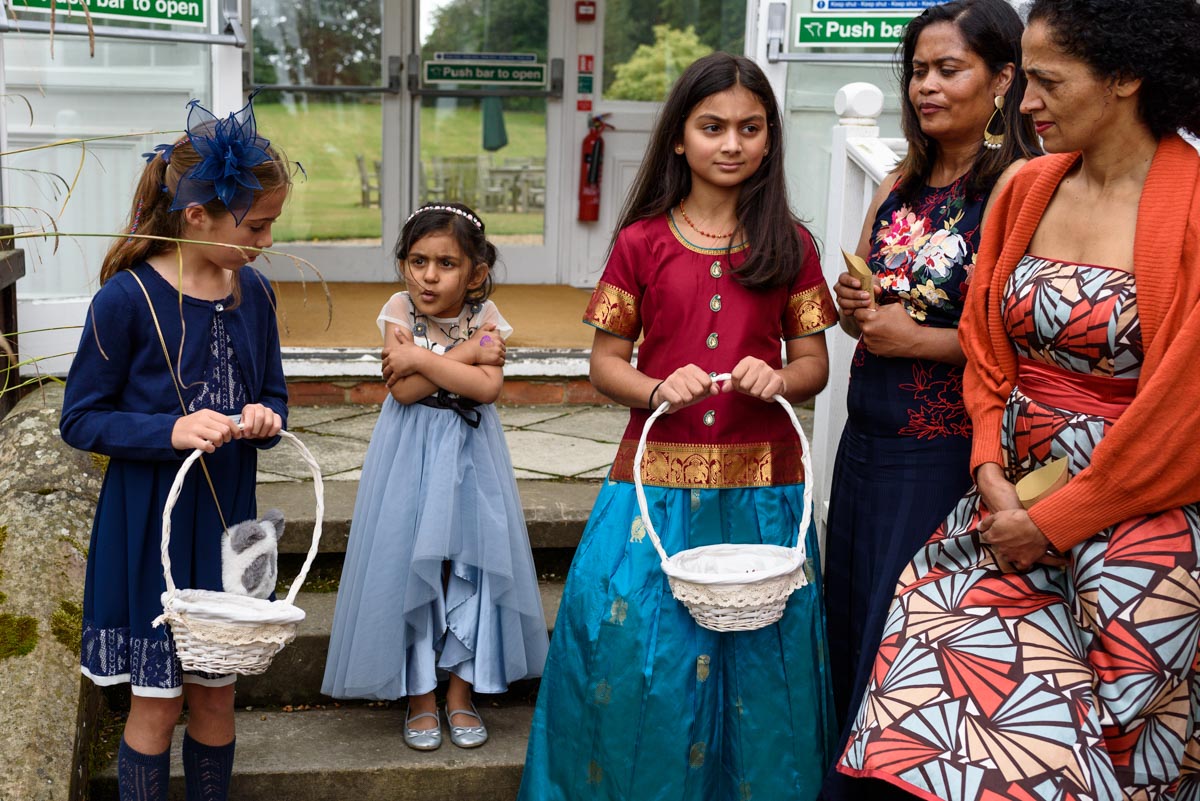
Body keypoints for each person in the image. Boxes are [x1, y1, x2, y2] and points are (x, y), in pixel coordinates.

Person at [837, 0, 1200, 797]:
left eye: (1044, 80)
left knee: (1098, 762)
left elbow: (1187, 412)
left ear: (1127, 79)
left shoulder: (1196, 206)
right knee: (925, 704)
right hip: (1004, 508)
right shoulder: (1026, 189)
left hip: (1142, 521)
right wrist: (991, 468)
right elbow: (988, 354)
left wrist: (1057, 518)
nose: (1024, 102)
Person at [519, 52, 840, 801]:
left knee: (764, 671)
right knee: (636, 658)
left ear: (770, 139)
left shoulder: (793, 245)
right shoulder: (641, 243)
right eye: (712, 126)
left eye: (750, 128)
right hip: (652, 487)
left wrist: (781, 378)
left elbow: (815, 365)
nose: (732, 143)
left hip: (767, 492)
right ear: (678, 139)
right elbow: (605, 364)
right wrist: (657, 382)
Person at [821, 0, 1040, 789]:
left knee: (904, 632)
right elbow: (874, 297)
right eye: (918, 70)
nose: (926, 87)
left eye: (950, 70)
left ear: (1004, 79)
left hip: (944, 451)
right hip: (866, 439)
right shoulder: (901, 178)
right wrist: (857, 305)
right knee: (849, 621)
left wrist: (919, 340)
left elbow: (1022, 341)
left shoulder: (1018, 187)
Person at [59, 96, 292, 801]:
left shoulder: (256, 292)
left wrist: (263, 417)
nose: (268, 239)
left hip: (226, 530)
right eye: (256, 225)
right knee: (157, 701)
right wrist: (169, 429)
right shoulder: (124, 300)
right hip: (148, 526)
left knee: (216, 697)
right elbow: (81, 419)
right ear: (197, 217)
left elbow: (278, 398)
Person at [321, 201, 548, 751]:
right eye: (418, 260)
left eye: (446, 263)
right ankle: (420, 693)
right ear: (403, 264)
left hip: (473, 455)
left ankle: (460, 694)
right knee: (411, 561)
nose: (429, 275)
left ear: (476, 272)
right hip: (410, 454)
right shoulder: (399, 308)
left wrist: (424, 359)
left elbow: (488, 389)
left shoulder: (489, 316)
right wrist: (466, 355)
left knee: (467, 564)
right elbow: (404, 390)